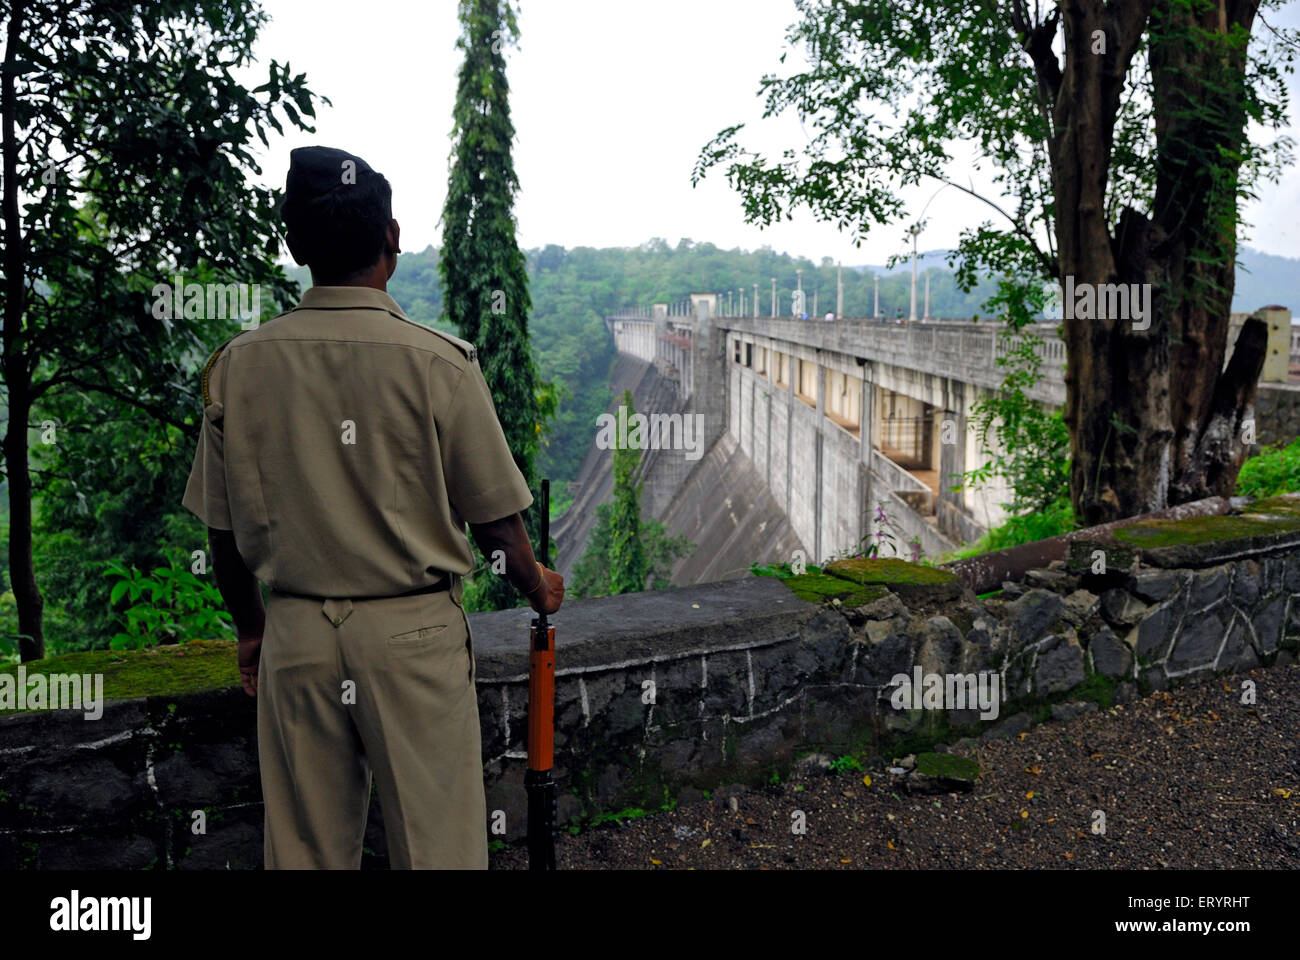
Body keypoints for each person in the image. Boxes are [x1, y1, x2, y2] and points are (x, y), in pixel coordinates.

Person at [181, 145, 564, 870]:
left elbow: (222, 534)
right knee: (438, 849)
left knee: (305, 855)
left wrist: (253, 630)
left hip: (295, 636)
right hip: (411, 637)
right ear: (391, 238)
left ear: (295, 244)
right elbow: (497, 526)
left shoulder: (241, 365)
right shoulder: (437, 363)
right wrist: (537, 583)